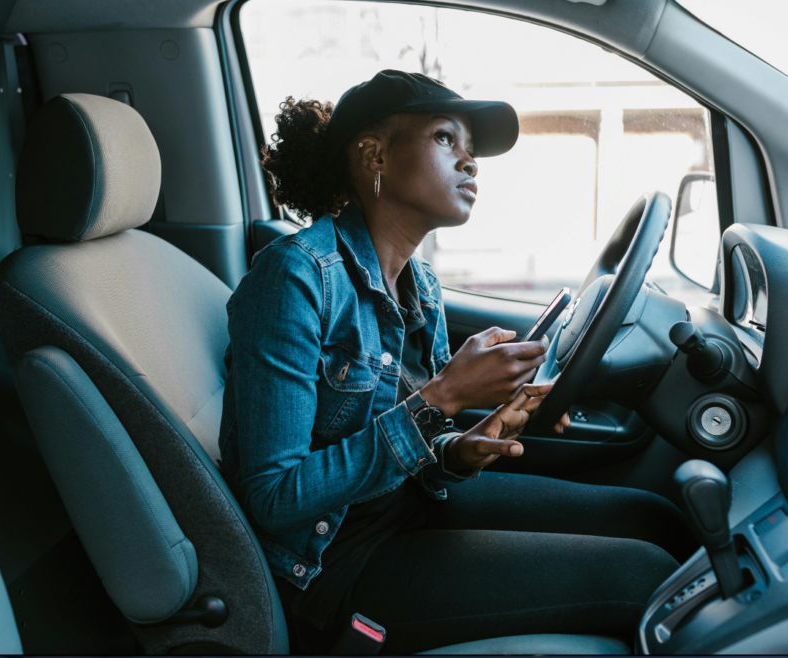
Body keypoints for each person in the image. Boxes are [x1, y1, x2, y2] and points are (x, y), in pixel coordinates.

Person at [219, 70, 694, 654]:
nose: (471, 163)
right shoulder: (295, 278)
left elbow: (419, 445)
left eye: (472, 152)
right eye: (446, 139)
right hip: (335, 561)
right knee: (641, 575)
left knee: (655, 520)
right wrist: (444, 396)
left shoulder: (421, 285)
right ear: (375, 155)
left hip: (410, 505)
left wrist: (462, 445)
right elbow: (274, 497)